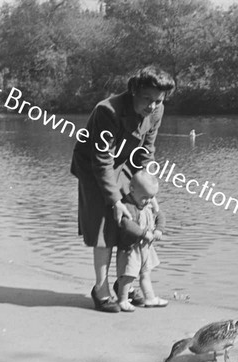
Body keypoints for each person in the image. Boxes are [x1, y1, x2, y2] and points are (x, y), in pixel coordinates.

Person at [70, 66, 175, 312]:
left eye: (158, 101)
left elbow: (147, 151)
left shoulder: (157, 110)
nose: (152, 106)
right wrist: (115, 200)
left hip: (127, 165)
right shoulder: (107, 111)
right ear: (133, 92)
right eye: (147, 99)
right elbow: (102, 159)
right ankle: (101, 289)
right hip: (94, 168)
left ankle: (123, 285)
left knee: (134, 221)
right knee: (105, 227)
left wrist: (149, 190)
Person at [115, 170, 168, 311]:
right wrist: (144, 233)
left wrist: (159, 230)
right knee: (128, 276)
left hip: (146, 248)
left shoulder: (148, 203)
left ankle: (149, 298)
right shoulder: (128, 206)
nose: (149, 200)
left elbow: (160, 216)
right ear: (132, 190)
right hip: (130, 248)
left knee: (146, 273)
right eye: (145, 197)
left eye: (152, 197)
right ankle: (122, 300)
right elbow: (127, 224)